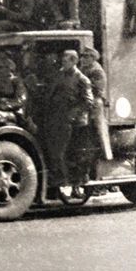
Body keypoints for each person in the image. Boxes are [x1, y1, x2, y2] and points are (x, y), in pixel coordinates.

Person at [42, 50, 94, 195]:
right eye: (63, 61)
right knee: (57, 152)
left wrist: (72, 115)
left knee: (71, 153)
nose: (63, 63)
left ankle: (73, 183)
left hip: (74, 123)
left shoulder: (82, 79)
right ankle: (63, 181)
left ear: (74, 61)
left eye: (66, 61)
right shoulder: (59, 76)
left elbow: (88, 101)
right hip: (58, 119)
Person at [79, 46, 112, 161]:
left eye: (86, 56)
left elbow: (98, 88)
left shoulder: (97, 70)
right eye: (83, 56)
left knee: (99, 128)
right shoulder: (84, 68)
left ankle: (107, 154)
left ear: (93, 58)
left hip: (95, 102)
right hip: (87, 101)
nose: (83, 59)